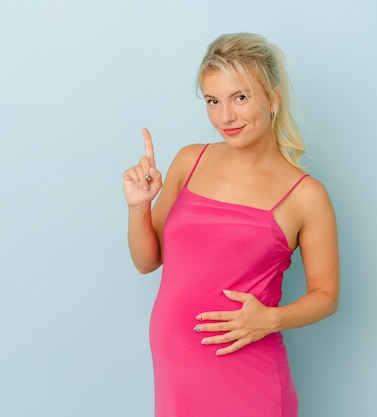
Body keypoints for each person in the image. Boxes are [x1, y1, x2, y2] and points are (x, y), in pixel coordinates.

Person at [122, 33, 339, 417]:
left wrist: (271, 319)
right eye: (212, 101)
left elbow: (326, 295)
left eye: (240, 97)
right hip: (177, 375)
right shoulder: (190, 161)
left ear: (272, 99)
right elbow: (146, 261)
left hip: (248, 376)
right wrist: (139, 207)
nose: (226, 117)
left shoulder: (306, 196)